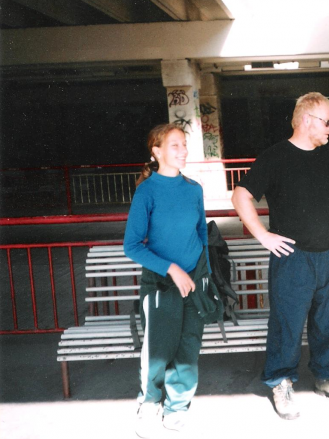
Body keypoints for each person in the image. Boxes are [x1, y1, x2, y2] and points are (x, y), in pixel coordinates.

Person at [231, 92, 329, 420]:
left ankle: (327, 376)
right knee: (287, 323)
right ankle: (280, 381)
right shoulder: (274, 157)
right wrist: (262, 234)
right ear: (307, 120)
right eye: (327, 121)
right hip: (293, 258)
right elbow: (241, 195)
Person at [124, 124, 213, 437]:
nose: (183, 151)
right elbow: (131, 246)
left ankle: (177, 406)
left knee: (188, 346)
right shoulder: (147, 191)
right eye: (175, 145)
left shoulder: (194, 189)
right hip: (161, 284)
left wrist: (205, 275)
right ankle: (150, 402)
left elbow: (202, 235)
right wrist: (172, 269)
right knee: (158, 350)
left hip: (194, 282)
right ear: (156, 152)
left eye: (184, 144)